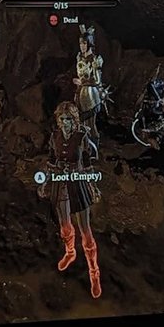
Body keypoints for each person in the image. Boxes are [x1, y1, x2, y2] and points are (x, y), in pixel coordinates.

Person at [47, 100, 102, 299]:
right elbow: (51, 160)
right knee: (65, 226)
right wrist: (46, 182)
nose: (65, 122)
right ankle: (70, 252)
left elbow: (87, 163)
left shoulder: (81, 137)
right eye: (62, 119)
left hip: (78, 184)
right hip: (60, 183)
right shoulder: (54, 137)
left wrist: (92, 186)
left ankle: (94, 272)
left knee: (85, 230)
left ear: (74, 120)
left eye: (68, 119)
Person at [73, 25, 106, 134]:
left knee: (90, 124)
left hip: (91, 94)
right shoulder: (79, 58)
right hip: (80, 93)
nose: (82, 46)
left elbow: (97, 80)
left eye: (84, 43)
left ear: (89, 43)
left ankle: (94, 142)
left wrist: (82, 82)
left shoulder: (95, 59)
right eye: (80, 43)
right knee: (82, 124)